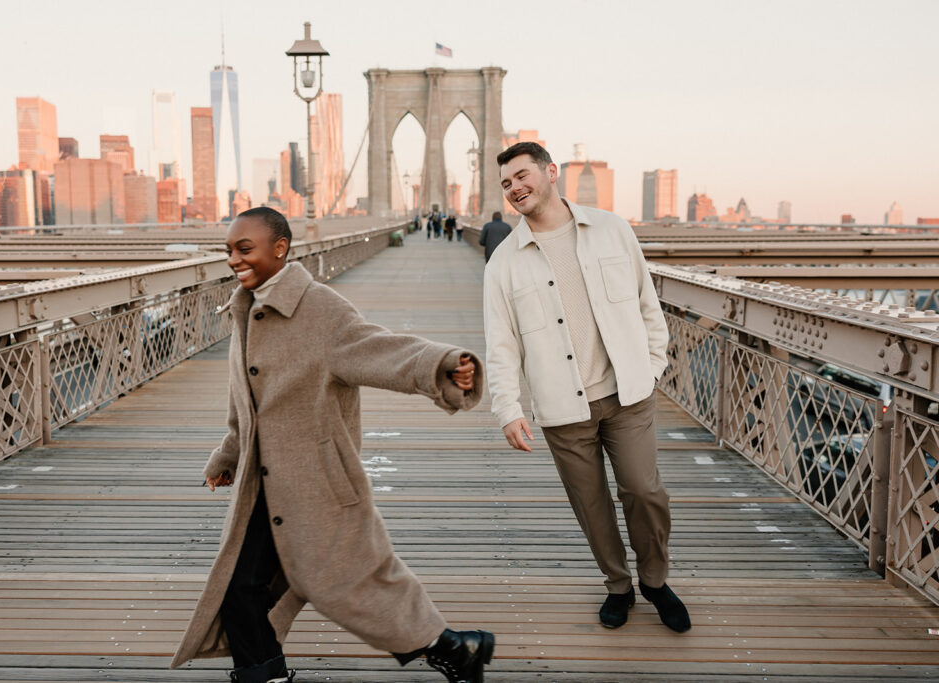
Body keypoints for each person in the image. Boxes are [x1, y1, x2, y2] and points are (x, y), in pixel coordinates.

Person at [171, 207, 496, 682]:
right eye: (229, 251)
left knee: (354, 582)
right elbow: (246, 402)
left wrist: (443, 364)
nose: (234, 260)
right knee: (242, 586)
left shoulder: (321, 310)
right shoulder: (246, 308)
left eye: (245, 249)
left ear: (279, 248)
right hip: (263, 483)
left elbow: (382, 349)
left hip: (317, 483)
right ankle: (264, 674)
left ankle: (453, 647)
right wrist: (229, 453)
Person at [481, 142, 691, 634]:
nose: (515, 188)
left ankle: (655, 582)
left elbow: (647, 304)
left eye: (522, 175)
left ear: (551, 172)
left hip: (627, 394)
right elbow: (502, 344)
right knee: (592, 505)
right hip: (562, 405)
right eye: (506, 183)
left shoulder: (613, 230)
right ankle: (618, 586)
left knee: (644, 491)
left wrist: (653, 365)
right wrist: (508, 408)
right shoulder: (503, 264)